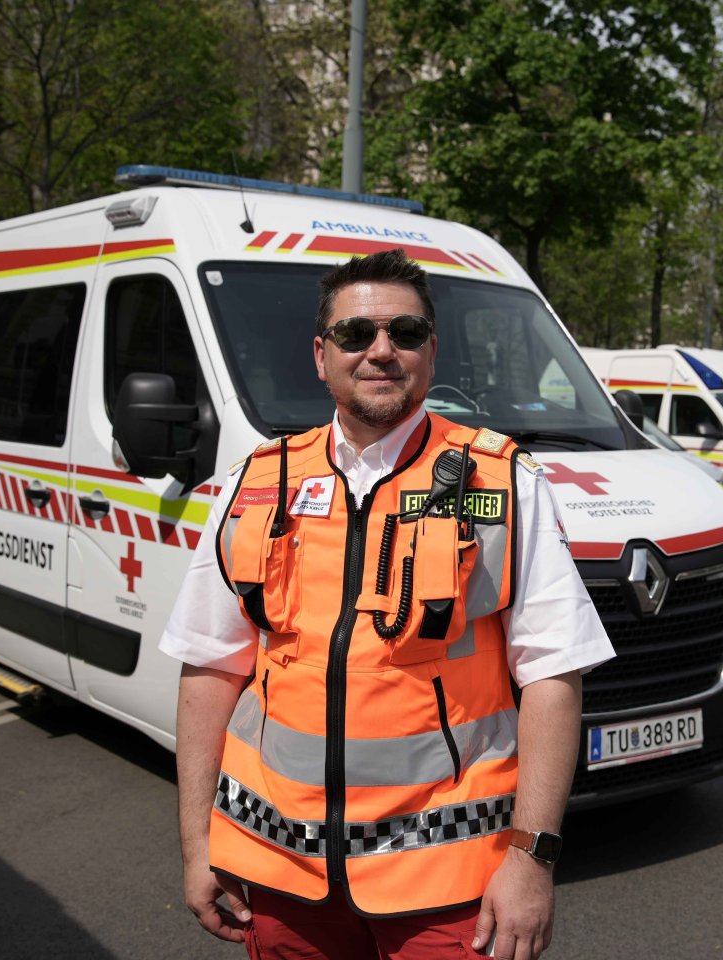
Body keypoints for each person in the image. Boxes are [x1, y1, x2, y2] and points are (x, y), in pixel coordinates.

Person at [162, 249, 614, 960]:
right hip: (280, 873)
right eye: (355, 335)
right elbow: (210, 669)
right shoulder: (256, 483)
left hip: (449, 881)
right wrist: (198, 844)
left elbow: (554, 676)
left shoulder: (502, 480)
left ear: (431, 351)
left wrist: (532, 859)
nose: (381, 351)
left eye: (404, 333)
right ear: (321, 355)